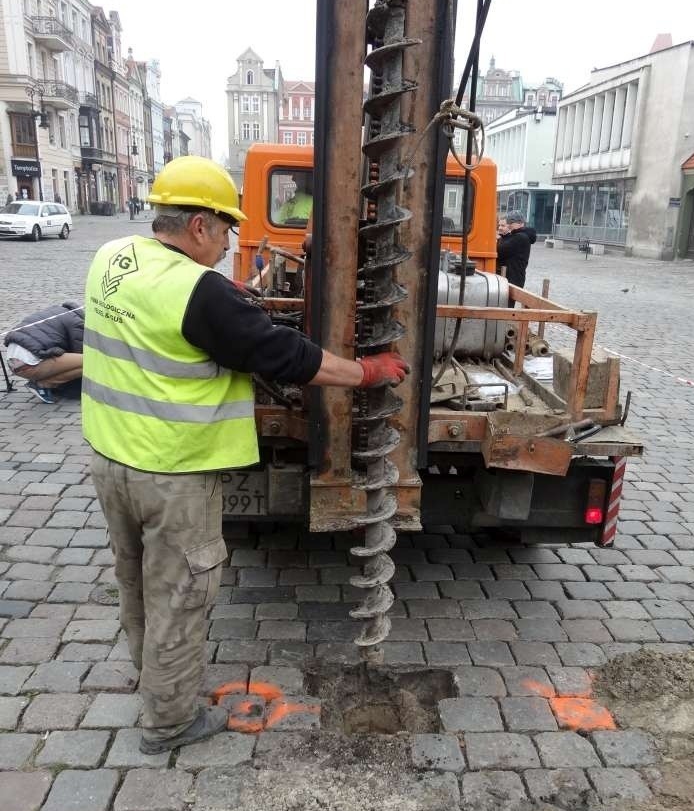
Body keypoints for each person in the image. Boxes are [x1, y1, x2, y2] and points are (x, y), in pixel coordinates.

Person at [82, 156, 408, 755]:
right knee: (181, 594)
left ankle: (155, 682)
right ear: (200, 226)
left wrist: (235, 296)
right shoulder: (196, 292)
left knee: (136, 582)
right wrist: (364, 371)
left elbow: (182, 316)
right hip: (173, 475)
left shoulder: (114, 257)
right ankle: (170, 723)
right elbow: (285, 356)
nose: (231, 239)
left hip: (111, 459)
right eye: (227, 227)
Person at [3, 302, 84, 404]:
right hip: (28, 365)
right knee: (90, 361)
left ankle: (39, 380)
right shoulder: (76, 321)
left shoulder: (56, 312)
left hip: (14, 363)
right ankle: (44, 384)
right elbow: (79, 350)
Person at [496, 209, 537, 299]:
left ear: (520, 223)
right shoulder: (517, 236)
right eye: (509, 222)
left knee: (506, 308)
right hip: (511, 277)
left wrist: (496, 241)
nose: (509, 225)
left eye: (512, 222)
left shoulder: (520, 237)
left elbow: (500, 251)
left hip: (513, 278)